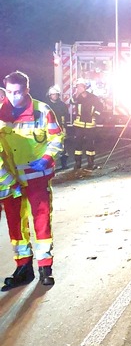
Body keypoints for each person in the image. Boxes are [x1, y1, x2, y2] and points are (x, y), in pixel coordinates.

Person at [0, 70, 64, 289]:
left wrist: (47, 158)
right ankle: (23, 267)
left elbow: (56, 137)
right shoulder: (1, 113)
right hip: (10, 181)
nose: (13, 97)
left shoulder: (42, 110)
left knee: (41, 220)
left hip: (36, 177)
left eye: (18, 92)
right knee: (16, 225)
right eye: (9, 92)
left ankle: (45, 267)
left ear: (27, 90)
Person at [70, 79, 102, 170]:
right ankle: (78, 163)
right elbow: (72, 102)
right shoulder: (77, 97)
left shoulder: (93, 97)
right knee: (77, 144)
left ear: (85, 87)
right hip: (79, 124)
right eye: (77, 86)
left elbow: (100, 107)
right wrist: (76, 93)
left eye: (80, 86)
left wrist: (95, 115)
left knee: (90, 144)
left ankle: (90, 163)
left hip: (90, 124)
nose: (79, 88)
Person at [46, 85, 70, 170]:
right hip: (48, 130)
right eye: (53, 94)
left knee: (63, 147)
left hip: (60, 128)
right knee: (50, 148)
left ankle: (64, 164)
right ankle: (51, 165)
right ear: (50, 95)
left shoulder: (62, 105)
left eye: (56, 94)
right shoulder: (46, 105)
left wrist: (64, 129)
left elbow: (65, 116)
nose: (55, 96)